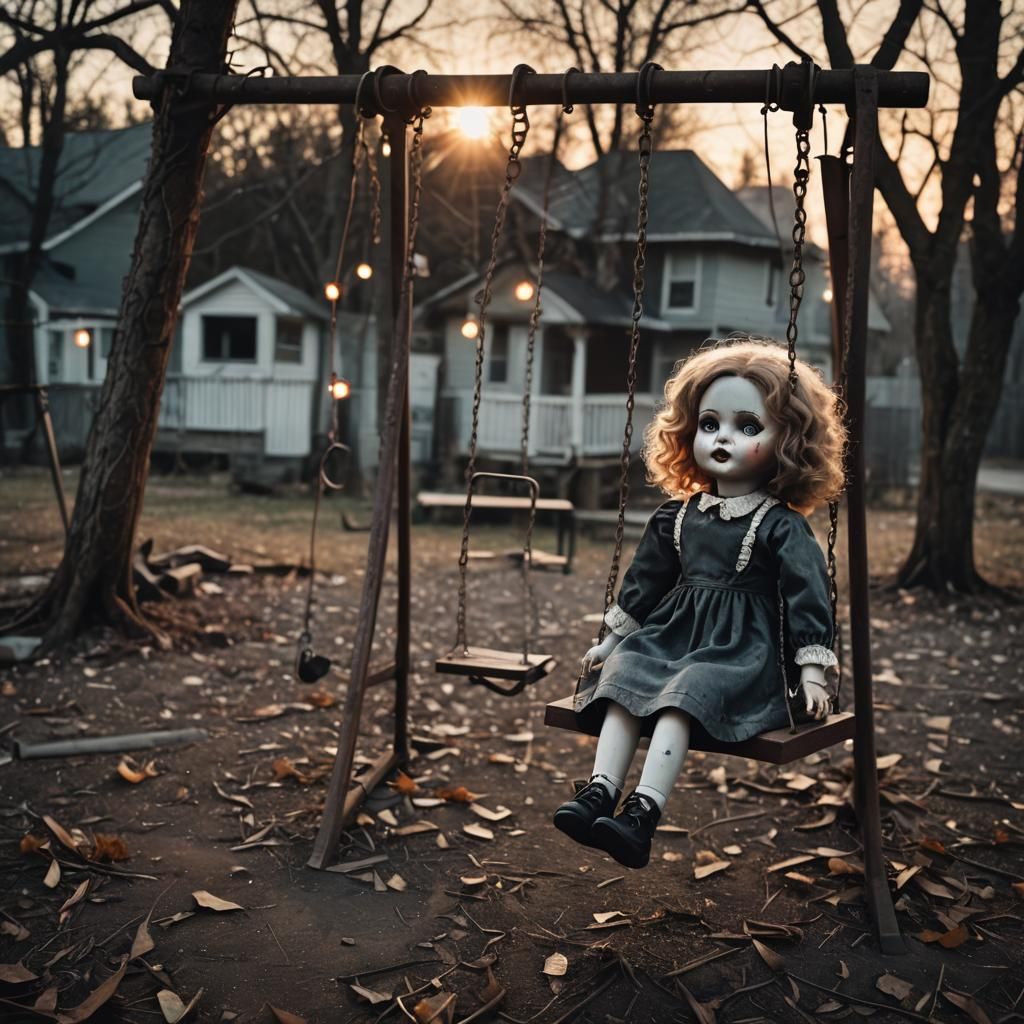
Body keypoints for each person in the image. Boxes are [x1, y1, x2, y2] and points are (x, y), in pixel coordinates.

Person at [553, 337, 847, 869]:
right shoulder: (676, 516)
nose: (723, 439)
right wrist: (613, 641)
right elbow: (643, 584)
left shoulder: (781, 524)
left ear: (789, 440)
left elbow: (810, 596)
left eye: (748, 427)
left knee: (685, 693)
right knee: (623, 677)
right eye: (710, 424)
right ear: (689, 431)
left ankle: (641, 815)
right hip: (672, 635)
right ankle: (599, 792)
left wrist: (812, 671)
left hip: (740, 653)